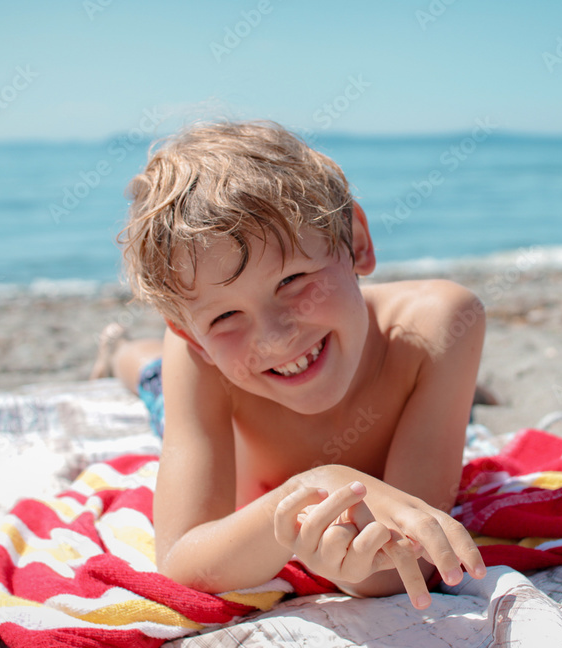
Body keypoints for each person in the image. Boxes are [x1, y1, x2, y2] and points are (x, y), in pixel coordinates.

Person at [93, 120, 487, 610]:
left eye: (294, 280)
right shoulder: (197, 360)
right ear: (191, 336)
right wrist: (314, 485)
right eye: (225, 316)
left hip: (350, 377)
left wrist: (335, 552)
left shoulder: (439, 325)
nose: (276, 337)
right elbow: (180, 557)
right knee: (153, 382)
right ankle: (119, 352)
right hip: (207, 395)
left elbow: (410, 565)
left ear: (357, 241)